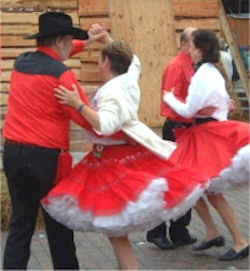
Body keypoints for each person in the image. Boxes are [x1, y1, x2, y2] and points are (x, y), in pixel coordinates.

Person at [41, 36, 211, 270]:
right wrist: (108, 40)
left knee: (115, 227)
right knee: (115, 230)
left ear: (108, 62)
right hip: (122, 157)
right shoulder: (128, 80)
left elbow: (106, 125)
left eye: (100, 60)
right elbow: (136, 62)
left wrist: (77, 104)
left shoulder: (112, 91)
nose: (98, 65)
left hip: (113, 163)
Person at [2, 11, 105, 270]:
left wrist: (88, 41)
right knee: (59, 225)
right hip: (46, 160)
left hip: (13, 153)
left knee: (21, 225)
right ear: (60, 41)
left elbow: (57, 56)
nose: (72, 45)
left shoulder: (22, 62)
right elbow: (83, 118)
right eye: (70, 40)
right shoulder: (62, 76)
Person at [164, 29, 249, 261]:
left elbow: (188, 110)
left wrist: (168, 97)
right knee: (198, 188)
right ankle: (214, 232)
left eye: (191, 46)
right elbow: (219, 106)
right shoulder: (212, 72)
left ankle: (240, 241)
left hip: (206, 136)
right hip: (206, 134)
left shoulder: (203, 74)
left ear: (200, 49)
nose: (188, 50)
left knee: (202, 188)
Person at [146, 27, 199, 250]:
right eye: (198, 42)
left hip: (189, 129)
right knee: (171, 181)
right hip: (177, 128)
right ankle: (156, 231)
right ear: (185, 44)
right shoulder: (177, 66)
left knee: (186, 181)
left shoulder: (194, 66)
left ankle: (179, 230)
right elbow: (170, 101)